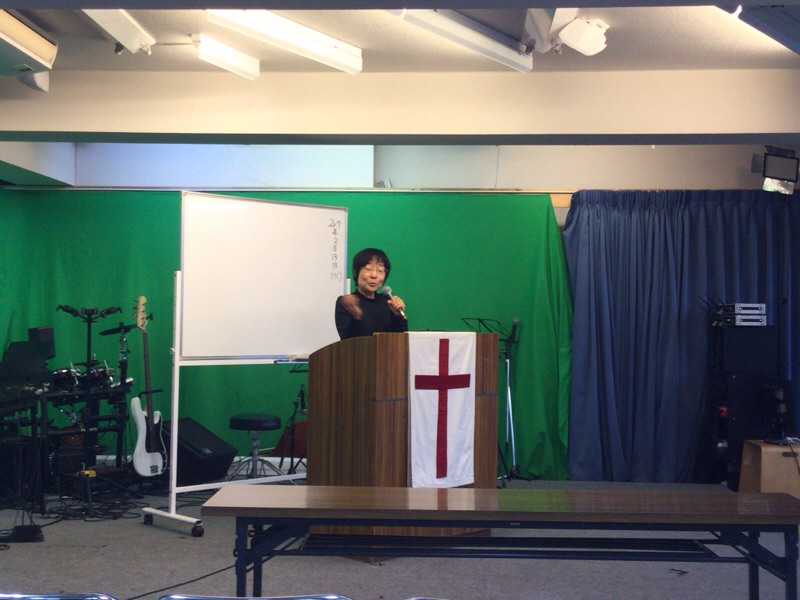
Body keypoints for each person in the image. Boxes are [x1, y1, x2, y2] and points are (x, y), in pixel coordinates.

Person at [335, 247, 408, 340]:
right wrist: (356, 316)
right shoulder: (347, 302)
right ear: (356, 272)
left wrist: (397, 316)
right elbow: (346, 340)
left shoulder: (388, 302)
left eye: (380, 271)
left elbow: (401, 339)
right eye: (368, 269)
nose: (374, 275)